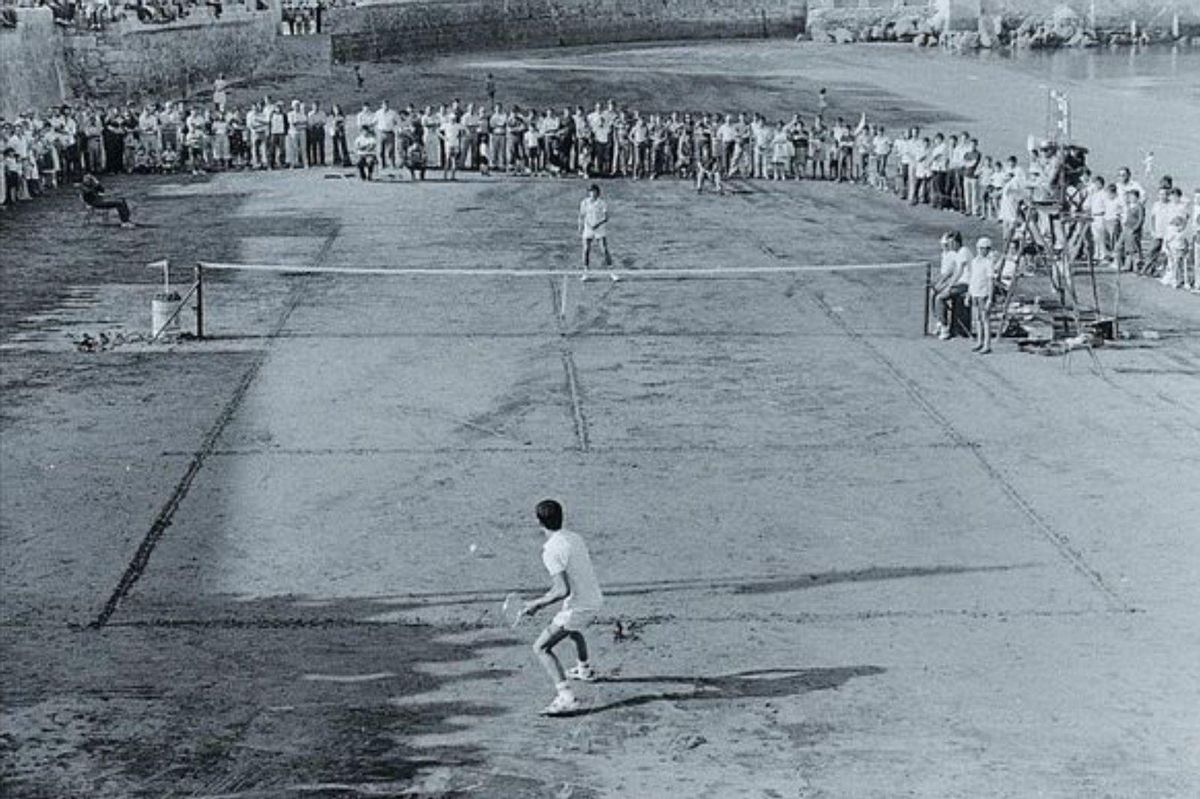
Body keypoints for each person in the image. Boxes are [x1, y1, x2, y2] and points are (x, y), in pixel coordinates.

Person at [518, 499, 604, 717]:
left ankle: (566, 697)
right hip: (593, 599)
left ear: (539, 523)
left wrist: (535, 604)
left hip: (580, 606)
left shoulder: (550, 551)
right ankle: (584, 669)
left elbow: (561, 589)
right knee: (572, 630)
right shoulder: (575, 538)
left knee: (541, 648)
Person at [931, 231, 972, 339]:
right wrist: (942, 283)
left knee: (940, 298)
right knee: (935, 292)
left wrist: (949, 286)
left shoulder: (964, 251)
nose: (950, 245)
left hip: (966, 284)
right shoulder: (957, 253)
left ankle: (945, 328)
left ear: (957, 242)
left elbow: (959, 272)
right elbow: (952, 271)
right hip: (959, 283)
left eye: (952, 243)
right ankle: (940, 320)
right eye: (948, 243)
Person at [579, 184, 615, 282]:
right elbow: (582, 216)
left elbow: (606, 217)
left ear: (597, 192)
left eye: (594, 191)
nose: (592, 193)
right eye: (590, 191)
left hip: (599, 229)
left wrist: (597, 224)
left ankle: (611, 272)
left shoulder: (602, 203)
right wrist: (582, 227)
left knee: (604, 250)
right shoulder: (584, 203)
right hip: (588, 229)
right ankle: (585, 272)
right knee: (586, 250)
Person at [967, 237, 996, 354]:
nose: (982, 251)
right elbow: (972, 279)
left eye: (985, 249)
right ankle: (979, 341)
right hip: (975, 293)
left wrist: (990, 298)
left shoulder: (988, 263)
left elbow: (990, 281)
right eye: (980, 248)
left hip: (983, 294)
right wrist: (969, 294)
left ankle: (987, 344)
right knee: (977, 319)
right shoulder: (974, 262)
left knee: (985, 319)